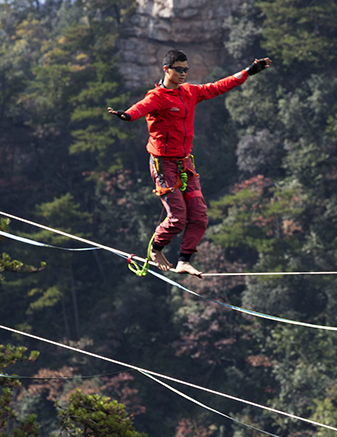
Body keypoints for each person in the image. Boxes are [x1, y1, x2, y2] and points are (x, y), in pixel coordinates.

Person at [108, 50, 271, 276]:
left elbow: (218, 86)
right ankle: (156, 248)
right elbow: (141, 107)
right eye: (179, 69)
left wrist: (248, 72)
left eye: (186, 69)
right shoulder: (157, 97)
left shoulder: (190, 92)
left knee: (199, 215)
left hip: (185, 164)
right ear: (166, 69)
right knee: (178, 217)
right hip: (163, 165)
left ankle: (184, 260)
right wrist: (127, 115)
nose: (183, 73)